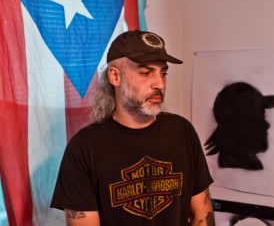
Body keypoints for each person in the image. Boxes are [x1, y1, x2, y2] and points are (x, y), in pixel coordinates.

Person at [50, 30, 214, 226]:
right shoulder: (84, 148)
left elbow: (202, 215)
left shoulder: (182, 132)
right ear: (115, 76)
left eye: (163, 73)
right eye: (146, 73)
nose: (159, 83)